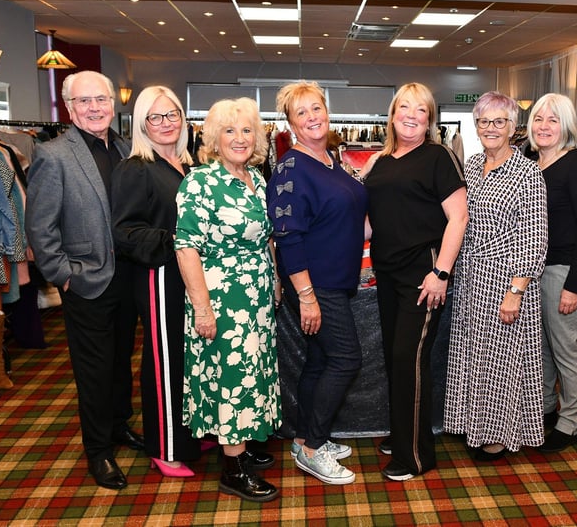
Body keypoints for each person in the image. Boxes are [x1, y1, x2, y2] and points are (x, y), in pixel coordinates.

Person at [25, 70, 143, 490]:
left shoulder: (129, 149)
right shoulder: (52, 154)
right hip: (86, 282)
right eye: (84, 101)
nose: (94, 108)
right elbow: (39, 228)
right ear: (69, 108)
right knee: (93, 370)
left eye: (101, 100)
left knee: (120, 363)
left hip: (129, 279)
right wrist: (64, 277)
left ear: (113, 103)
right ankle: (99, 451)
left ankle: (118, 426)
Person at [175, 97, 280, 502]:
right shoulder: (200, 181)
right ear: (214, 139)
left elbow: (266, 237)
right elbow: (186, 247)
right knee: (231, 379)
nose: (239, 138)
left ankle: (244, 449)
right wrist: (202, 307)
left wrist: (274, 283)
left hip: (255, 297)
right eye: (229, 130)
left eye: (247, 130)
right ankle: (232, 471)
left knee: (253, 373)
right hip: (220, 296)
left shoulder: (257, 177)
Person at [363, 82, 468, 480]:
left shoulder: (437, 156)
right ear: (392, 114)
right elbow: (372, 222)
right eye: (403, 107)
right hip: (387, 273)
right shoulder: (382, 161)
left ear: (429, 119)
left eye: (420, 109)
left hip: (424, 274)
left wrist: (442, 272)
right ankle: (404, 432)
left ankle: (415, 457)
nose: (410, 114)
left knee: (409, 359)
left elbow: (458, 218)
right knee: (396, 359)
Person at [267, 81, 368, 486]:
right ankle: (313, 447)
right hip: (315, 283)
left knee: (321, 361)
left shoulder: (331, 161)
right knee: (346, 359)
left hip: (336, 279)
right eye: (301, 113)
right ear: (290, 124)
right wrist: (307, 297)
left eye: (316, 108)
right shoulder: (292, 168)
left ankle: (306, 437)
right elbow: (288, 236)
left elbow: (347, 217)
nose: (312, 117)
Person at [443, 91, 547, 461]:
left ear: (513, 128)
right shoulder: (469, 165)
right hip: (471, 277)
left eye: (499, 121)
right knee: (474, 355)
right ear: (475, 126)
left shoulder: (528, 173)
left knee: (503, 360)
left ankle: (501, 433)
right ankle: (476, 423)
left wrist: (516, 290)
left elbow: (536, 237)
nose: (491, 128)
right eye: (484, 121)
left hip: (507, 278)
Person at [112, 86, 201, 477]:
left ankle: (189, 434)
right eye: (156, 116)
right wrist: (178, 241)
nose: (166, 123)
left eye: (172, 115)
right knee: (165, 362)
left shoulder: (189, 165)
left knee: (189, 359)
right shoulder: (135, 168)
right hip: (159, 275)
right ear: (142, 123)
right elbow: (125, 231)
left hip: (191, 276)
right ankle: (164, 447)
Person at [528, 93, 577, 453]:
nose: (544, 126)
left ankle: (571, 421)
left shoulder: (576, 166)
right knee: (540, 348)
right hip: (531, 270)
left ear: (566, 125)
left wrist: (573, 286)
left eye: (553, 120)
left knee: (566, 348)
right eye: (539, 119)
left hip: (563, 270)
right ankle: (546, 409)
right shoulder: (527, 162)